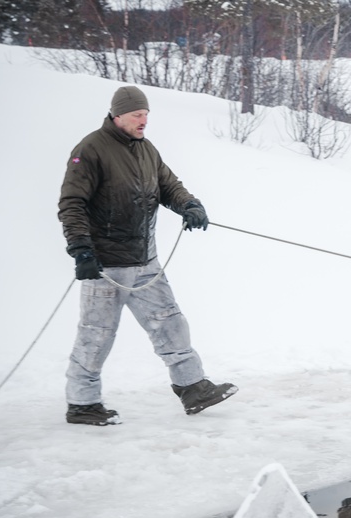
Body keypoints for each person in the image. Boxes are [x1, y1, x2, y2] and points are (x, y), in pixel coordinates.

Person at [57, 85, 237, 426]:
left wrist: (189, 205)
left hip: (145, 262)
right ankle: (82, 403)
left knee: (171, 323)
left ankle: (192, 386)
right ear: (118, 114)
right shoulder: (91, 149)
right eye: (138, 115)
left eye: (147, 115)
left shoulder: (145, 149)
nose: (144, 121)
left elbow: (168, 184)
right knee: (96, 335)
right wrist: (80, 248)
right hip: (106, 266)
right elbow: (72, 203)